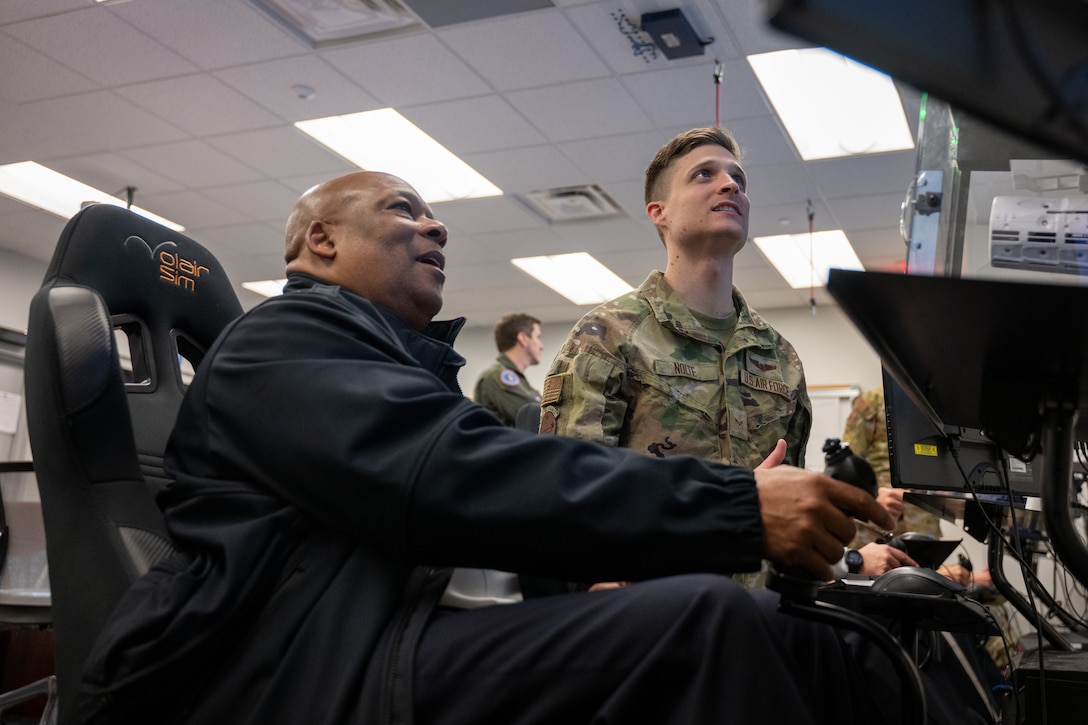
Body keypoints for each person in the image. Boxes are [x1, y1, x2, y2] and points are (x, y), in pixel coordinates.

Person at [76, 170, 903, 725]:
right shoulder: (283, 340)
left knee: (806, 630)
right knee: (708, 620)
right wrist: (733, 506)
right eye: (403, 210)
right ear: (320, 243)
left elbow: (468, 511)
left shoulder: (383, 359)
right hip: (301, 675)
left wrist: (595, 572)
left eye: (431, 212)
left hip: (381, 633)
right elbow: (455, 477)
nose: (434, 224)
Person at [541, 126, 810, 470]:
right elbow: (571, 489)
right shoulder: (607, 336)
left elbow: (794, 494)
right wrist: (732, 501)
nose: (731, 185)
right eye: (703, 175)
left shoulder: (780, 357)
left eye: (739, 180)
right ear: (659, 212)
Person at [841, 387, 943, 546]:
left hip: (923, 526)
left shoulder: (936, 405)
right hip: (877, 527)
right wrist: (872, 500)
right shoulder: (872, 402)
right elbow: (845, 467)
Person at [473, 313, 543, 426]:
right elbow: (536, 418)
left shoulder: (518, 380)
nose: (541, 346)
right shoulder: (497, 376)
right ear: (523, 339)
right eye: (538, 337)